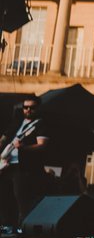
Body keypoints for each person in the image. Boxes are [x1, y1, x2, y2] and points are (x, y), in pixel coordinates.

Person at [0, 96, 52, 230]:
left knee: (21, 197)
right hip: (7, 164)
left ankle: (22, 227)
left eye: (32, 107)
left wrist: (24, 148)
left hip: (23, 167)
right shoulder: (17, 122)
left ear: (38, 108)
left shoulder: (41, 125)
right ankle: (5, 224)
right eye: (26, 107)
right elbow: (5, 137)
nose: (28, 110)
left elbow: (42, 145)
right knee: (5, 195)